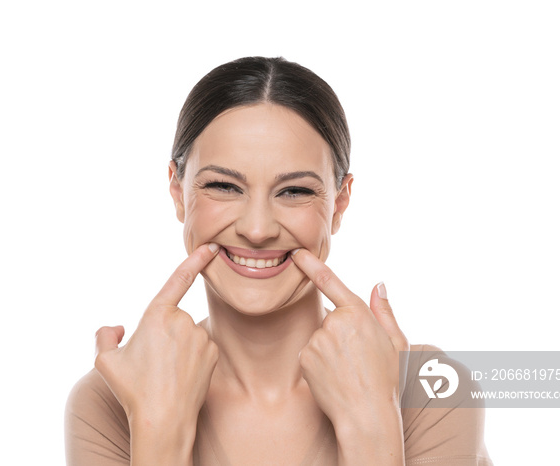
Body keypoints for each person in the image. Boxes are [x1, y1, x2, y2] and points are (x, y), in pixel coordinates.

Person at [65, 56, 493, 465]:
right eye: (224, 186)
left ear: (340, 203)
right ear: (178, 192)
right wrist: (159, 426)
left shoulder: (431, 389)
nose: (257, 229)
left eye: (295, 191)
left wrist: (370, 421)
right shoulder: (112, 397)